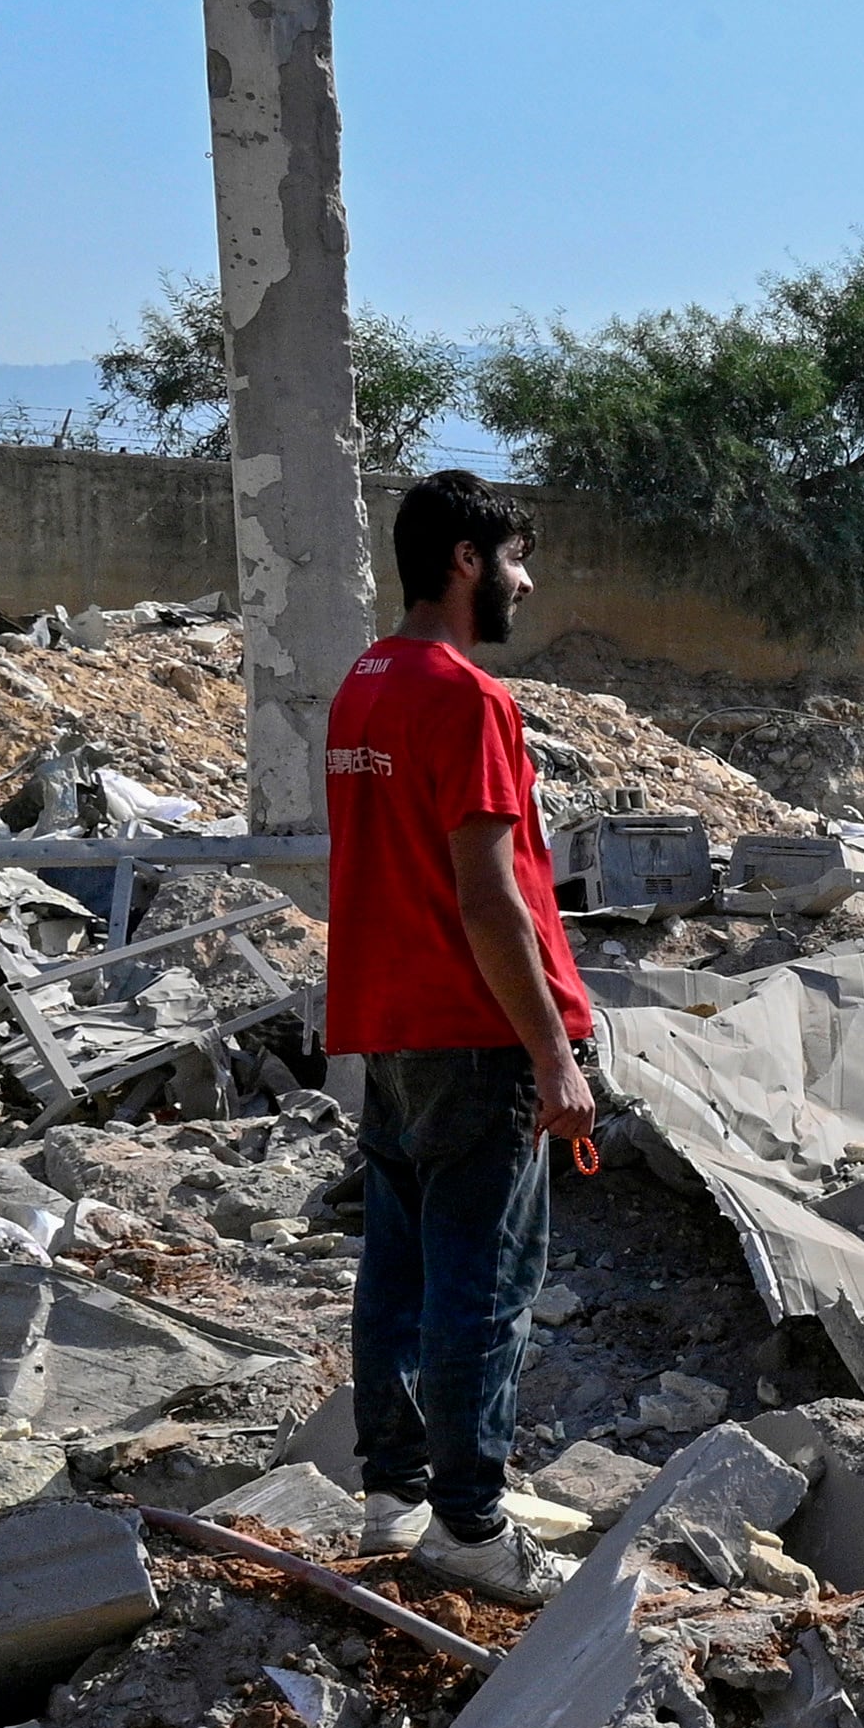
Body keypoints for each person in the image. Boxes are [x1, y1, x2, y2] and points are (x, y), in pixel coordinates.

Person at [324, 471, 597, 1605]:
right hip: (476, 1036)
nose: (526, 584)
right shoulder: (466, 698)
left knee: (398, 1264)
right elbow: (490, 899)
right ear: (468, 561)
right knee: (482, 1281)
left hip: (387, 1031)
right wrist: (552, 1053)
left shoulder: (362, 687)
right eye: (519, 559)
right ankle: (472, 1527)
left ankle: (395, 1492)